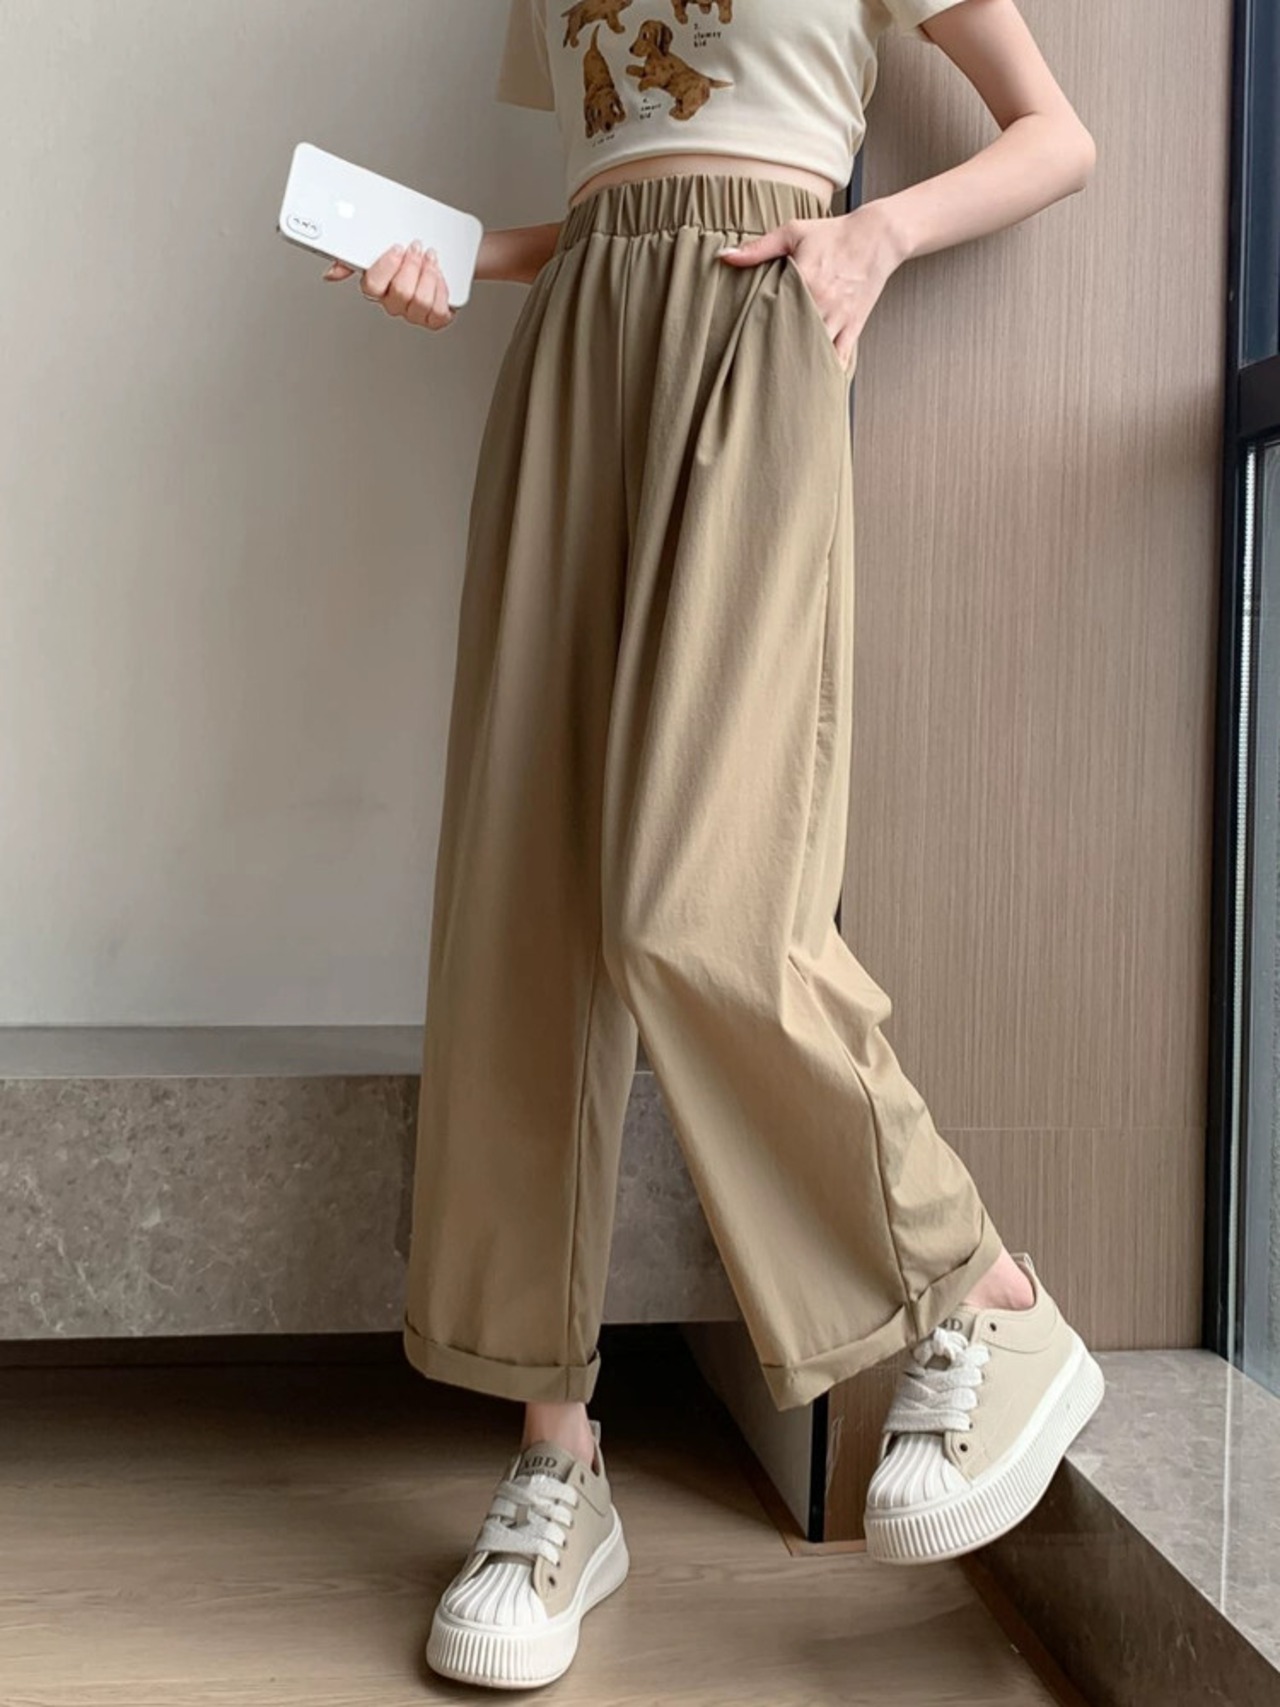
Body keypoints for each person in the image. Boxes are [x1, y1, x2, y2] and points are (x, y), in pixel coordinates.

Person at [324, 0, 1100, 1689]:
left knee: (698, 900)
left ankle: (976, 1288)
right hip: (574, 354)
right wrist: (459, 258)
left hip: (760, 331)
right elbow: (618, 199)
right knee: (525, 902)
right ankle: (555, 1466)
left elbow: (1056, 137)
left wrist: (877, 236)